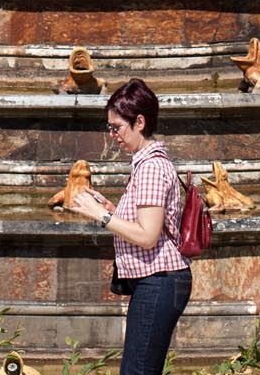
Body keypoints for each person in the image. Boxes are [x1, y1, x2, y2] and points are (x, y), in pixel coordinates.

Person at [69, 79, 191, 375]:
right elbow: (150, 221)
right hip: (158, 281)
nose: (113, 136)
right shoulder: (147, 163)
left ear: (139, 122)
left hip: (159, 280)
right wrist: (112, 207)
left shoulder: (150, 167)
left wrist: (102, 216)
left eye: (117, 127)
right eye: (109, 128)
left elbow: (148, 236)